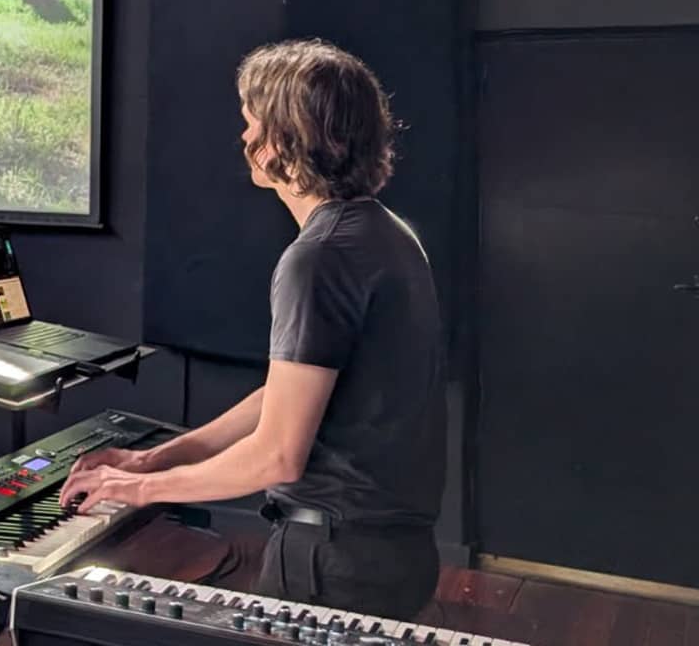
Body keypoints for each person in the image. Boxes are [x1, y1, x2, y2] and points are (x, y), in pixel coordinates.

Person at [61, 40, 443, 620]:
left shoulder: (319, 257)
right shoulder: (387, 234)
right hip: (391, 553)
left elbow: (277, 456)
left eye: (253, 123)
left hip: (332, 560)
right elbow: (285, 398)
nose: (244, 137)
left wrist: (137, 491)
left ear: (288, 138)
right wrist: (155, 459)